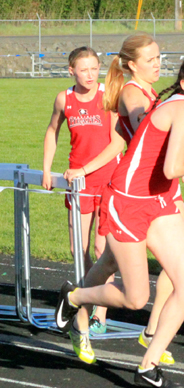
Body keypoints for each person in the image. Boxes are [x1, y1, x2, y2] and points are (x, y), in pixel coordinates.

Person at [55, 54, 184, 387]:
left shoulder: (183, 106)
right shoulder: (176, 106)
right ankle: (74, 297)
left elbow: (164, 156)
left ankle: (147, 366)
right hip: (129, 201)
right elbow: (171, 168)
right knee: (134, 298)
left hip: (159, 200)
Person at [43, 46, 123, 334]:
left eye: (94, 68)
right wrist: (46, 168)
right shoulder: (64, 99)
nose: (90, 74)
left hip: (109, 180)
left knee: (104, 249)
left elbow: (118, 143)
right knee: (81, 250)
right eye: (83, 69)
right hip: (78, 184)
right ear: (71, 71)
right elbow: (52, 130)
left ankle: (100, 315)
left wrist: (85, 169)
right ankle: (84, 303)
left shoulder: (108, 97)